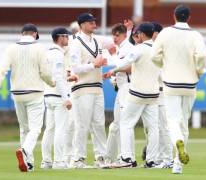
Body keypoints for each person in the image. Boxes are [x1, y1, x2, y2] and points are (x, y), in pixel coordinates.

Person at [0, 23, 54, 172]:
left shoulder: (11, 48)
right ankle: (25, 150)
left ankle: (28, 163)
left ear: (21, 33)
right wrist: (52, 82)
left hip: (17, 95)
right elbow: (45, 72)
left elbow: (1, 70)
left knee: (24, 129)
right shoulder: (39, 47)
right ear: (35, 34)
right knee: (35, 128)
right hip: (35, 93)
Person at [150, 5, 206, 174]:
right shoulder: (195, 35)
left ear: (174, 16)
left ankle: (178, 143)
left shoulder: (165, 33)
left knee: (173, 121)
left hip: (171, 83)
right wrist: (199, 70)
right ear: (189, 17)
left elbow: (154, 55)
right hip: (190, 84)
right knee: (184, 122)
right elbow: (203, 55)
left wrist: (163, 66)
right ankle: (177, 165)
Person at [104, 22, 161, 168]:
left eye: (138, 34)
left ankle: (127, 159)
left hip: (137, 93)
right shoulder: (157, 49)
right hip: (154, 94)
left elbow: (126, 62)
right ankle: (152, 161)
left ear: (141, 34)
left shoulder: (139, 48)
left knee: (125, 123)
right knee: (153, 127)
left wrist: (113, 71)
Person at [69, 13, 112, 168]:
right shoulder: (75, 43)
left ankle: (101, 157)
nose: (94, 24)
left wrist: (127, 32)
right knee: (82, 124)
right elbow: (75, 68)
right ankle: (78, 159)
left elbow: (115, 42)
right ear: (82, 25)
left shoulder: (97, 40)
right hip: (82, 88)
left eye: (94, 21)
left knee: (99, 124)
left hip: (97, 87)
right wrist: (94, 64)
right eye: (90, 22)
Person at [41, 27, 77, 169]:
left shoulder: (47, 53)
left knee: (49, 129)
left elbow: (55, 76)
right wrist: (66, 97)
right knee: (60, 129)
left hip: (48, 94)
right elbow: (57, 76)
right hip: (57, 96)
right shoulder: (58, 54)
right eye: (66, 36)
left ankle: (46, 161)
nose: (68, 39)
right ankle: (59, 161)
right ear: (60, 37)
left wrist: (68, 78)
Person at [142, 21, 174, 169]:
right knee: (152, 127)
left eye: (154, 32)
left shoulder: (162, 49)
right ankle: (157, 156)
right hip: (152, 91)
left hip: (161, 91)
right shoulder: (152, 48)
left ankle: (167, 158)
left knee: (162, 126)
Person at [104, 23, 134, 163]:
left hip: (128, 89)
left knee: (124, 124)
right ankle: (110, 158)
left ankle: (126, 157)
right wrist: (115, 77)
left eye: (117, 35)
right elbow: (121, 68)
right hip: (122, 88)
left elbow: (130, 68)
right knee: (116, 125)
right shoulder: (122, 47)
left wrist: (114, 57)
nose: (114, 38)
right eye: (113, 35)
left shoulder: (127, 48)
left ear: (124, 35)